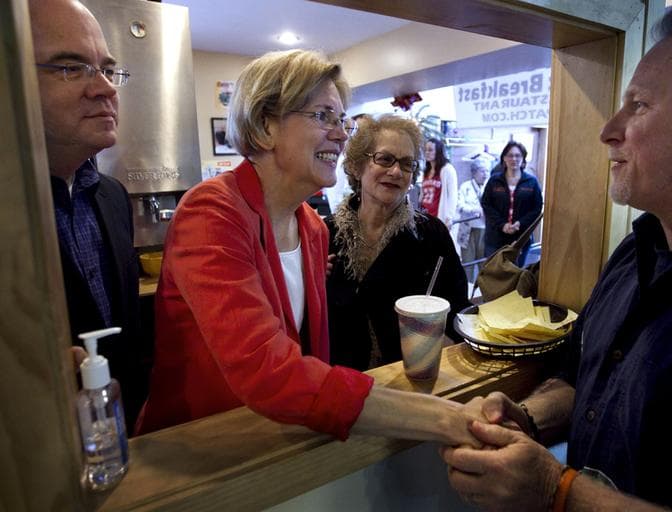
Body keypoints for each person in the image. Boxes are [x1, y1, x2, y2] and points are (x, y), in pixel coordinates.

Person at [441, 0, 672, 510]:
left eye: (639, 105)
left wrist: (557, 492)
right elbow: (585, 379)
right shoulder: (637, 249)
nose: (607, 129)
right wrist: (529, 417)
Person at [135, 50, 484, 447]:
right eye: (323, 116)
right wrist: (446, 420)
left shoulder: (312, 228)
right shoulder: (211, 212)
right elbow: (268, 369)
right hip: (202, 450)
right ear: (265, 125)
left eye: (341, 121)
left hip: (280, 441)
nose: (340, 134)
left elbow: (312, 361)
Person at [30, 0, 147, 435]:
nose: (106, 89)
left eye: (106, 69)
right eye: (71, 68)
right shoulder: (12, 208)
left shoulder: (114, 196)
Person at [324, 115, 470, 371]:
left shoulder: (430, 234)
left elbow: (459, 312)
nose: (395, 171)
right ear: (358, 166)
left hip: (408, 379)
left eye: (407, 164)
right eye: (384, 159)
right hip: (339, 382)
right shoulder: (325, 233)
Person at [481, 141, 543, 267]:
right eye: (510, 155)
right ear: (504, 158)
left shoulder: (531, 182)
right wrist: (502, 225)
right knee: (494, 274)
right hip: (495, 238)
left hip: (520, 239)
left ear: (523, 158)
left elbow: (537, 208)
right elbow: (486, 204)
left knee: (514, 275)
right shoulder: (494, 181)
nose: (514, 159)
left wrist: (520, 223)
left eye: (518, 155)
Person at [456, 158, 490, 282]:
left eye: (487, 171)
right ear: (474, 172)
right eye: (482, 171)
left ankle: (482, 293)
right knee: (468, 263)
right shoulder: (465, 187)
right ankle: (467, 293)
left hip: (485, 230)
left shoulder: (490, 187)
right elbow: (459, 206)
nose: (485, 174)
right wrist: (474, 209)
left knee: (484, 264)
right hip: (467, 230)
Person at [420, 138, 458, 241]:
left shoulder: (447, 169)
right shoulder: (426, 171)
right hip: (425, 216)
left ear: (439, 151)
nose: (427, 152)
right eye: (426, 150)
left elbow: (453, 195)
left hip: (439, 216)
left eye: (430, 150)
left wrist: (449, 217)